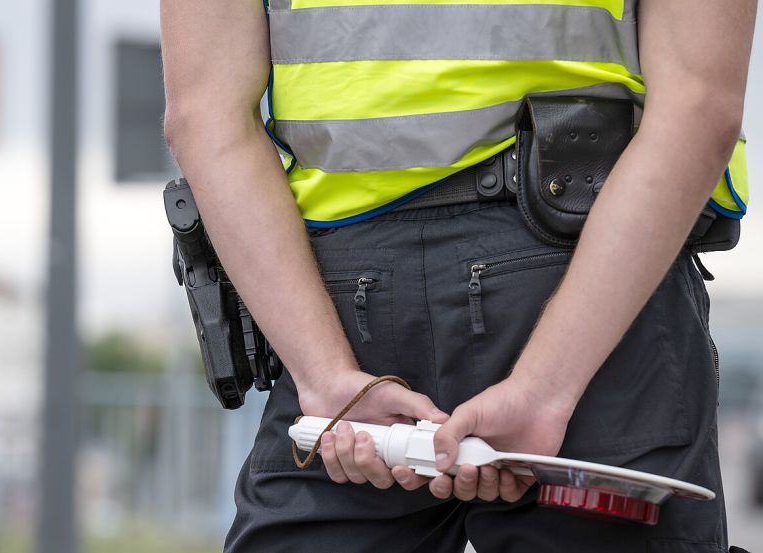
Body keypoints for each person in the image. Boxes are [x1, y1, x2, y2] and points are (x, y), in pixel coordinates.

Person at [161, 0, 755, 551]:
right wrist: (546, 389)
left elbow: (204, 113)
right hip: (590, 286)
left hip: (340, 309)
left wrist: (324, 375)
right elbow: (698, 101)